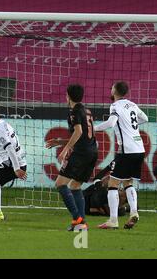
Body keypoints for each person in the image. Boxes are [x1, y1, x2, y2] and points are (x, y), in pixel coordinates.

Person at [95, 81, 148, 230]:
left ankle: (113, 220)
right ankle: (134, 212)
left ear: (115, 91)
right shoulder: (132, 105)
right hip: (139, 148)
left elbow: (111, 123)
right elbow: (145, 118)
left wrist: (94, 128)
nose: (110, 89)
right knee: (128, 182)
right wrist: (130, 127)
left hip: (127, 150)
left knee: (112, 184)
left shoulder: (115, 106)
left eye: (112, 87)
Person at [46, 84, 98, 231]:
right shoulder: (86, 111)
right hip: (92, 152)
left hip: (80, 154)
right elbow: (84, 136)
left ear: (68, 95)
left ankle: (77, 217)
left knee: (60, 184)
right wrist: (60, 142)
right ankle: (82, 224)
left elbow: (78, 132)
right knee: (75, 186)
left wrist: (65, 149)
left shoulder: (74, 111)